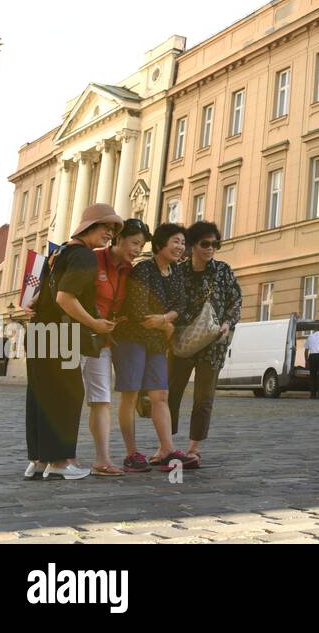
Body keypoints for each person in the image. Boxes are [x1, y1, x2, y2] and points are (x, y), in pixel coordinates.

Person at [24, 203, 122, 480]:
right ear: (89, 226)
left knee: (40, 397)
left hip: (41, 332)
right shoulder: (84, 257)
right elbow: (65, 297)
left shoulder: (59, 252)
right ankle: (60, 464)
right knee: (67, 396)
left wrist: (35, 300)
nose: (110, 234)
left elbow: (44, 293)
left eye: (113, 229)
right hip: (63, 334)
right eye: (106, 227)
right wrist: (95, 324)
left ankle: (39, 461)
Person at [168, 220, 241, 467]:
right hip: (182, 340)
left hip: (213, 342)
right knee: (171, 394)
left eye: (215, 244)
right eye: (205, 244)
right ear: (192, 246)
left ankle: (194, 448)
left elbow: (235, 302)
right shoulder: (178, 272)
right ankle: (167, 445)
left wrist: (227, 324)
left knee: (203, 398)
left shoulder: (223, 271)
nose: (211, 248)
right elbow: (170, 303)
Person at [114, 222, 185, 472]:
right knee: (131, 394)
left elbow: (181, 305)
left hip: (155, 341)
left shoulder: (175, 272)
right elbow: (138, 310)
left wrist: (165, 320)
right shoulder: (144, 269)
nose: (180, 247)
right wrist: (165, 323)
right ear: (161, 244)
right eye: (176, 241)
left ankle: (166, 449)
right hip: (131, 338)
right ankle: (131, 453)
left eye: (183, 242)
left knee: (160, 395)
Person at [80, 218, 149, 476]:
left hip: (103, 341)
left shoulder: (130, 271)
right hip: (76, 337)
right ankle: (60, 458)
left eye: (141, 246)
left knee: (101, 399)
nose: (137, 250)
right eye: (134, 243)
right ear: (118, 240)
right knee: (70, 398)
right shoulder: (91, 259)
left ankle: (102, 460)